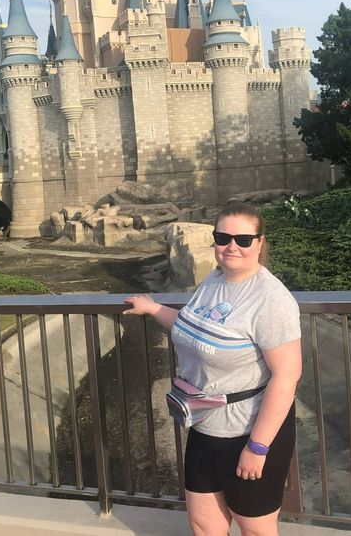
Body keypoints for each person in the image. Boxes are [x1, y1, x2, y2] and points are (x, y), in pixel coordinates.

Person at [123, 202, 302, 536]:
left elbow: (287, 376)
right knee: (204, 525)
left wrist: (257, 447)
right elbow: (192, 328)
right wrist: (153, 308)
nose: (232, 246)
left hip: (248, 433)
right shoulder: (214, 280)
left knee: (256, 530)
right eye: (223, 237)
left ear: (260, 243)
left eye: (243, 239)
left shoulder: (271, 300)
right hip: (204, 426)